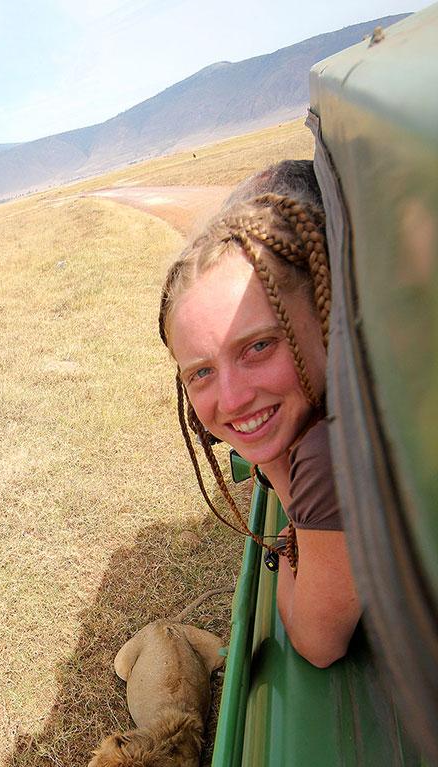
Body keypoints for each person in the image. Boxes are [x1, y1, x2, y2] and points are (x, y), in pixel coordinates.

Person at [158, 163, 361, 668]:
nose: (231, 399)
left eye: (260, 346)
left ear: (324, 311)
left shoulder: (329, 452)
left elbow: (317, 644)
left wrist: (273, 467)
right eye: (201, 372)